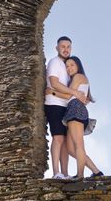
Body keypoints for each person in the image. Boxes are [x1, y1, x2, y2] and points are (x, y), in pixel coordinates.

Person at [50, 56, 103, 180]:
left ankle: (80, 175)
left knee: (79, 145)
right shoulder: (76, 79)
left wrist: (51, 92)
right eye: (67, 66)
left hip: (76, 110)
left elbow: (69, 95)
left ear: (78, 66)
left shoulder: (79, 77)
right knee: (70, 149)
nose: (69, 68)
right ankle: (96, 171)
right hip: (72, 111)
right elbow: (75, 94)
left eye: (72, 65)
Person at [44, 36, 88, 179]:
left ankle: (65, 173)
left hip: (66, 107)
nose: (65, 49)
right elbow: (54, 83)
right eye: (62, 46)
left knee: (64, 142)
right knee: (58, 139)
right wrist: (74, 92)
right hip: (54, 104)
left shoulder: (68, 67)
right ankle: (56, 172)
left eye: (68, 47)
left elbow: (76, 90)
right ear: (57, 48)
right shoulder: (54, 62)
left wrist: (79, 96)